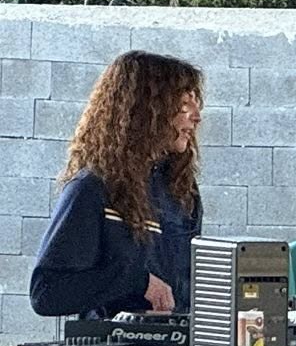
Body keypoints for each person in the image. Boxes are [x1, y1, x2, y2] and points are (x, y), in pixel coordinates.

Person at [29, 51, 205, 319]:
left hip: (178, 344)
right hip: (112, 345)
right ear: (146, 111)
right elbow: (46, 294)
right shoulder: (91, 189)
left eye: (196, 103)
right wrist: (137, 282)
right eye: (183, 104)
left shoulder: (182, 192)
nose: (196, 116)